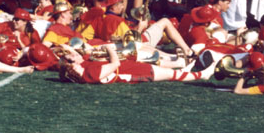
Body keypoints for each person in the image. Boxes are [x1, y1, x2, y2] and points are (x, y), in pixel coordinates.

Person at [57, 43, 214, 84]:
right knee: (173, 75)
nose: (74, 55)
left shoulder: (84, 67)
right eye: (72, 57)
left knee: (172, 73)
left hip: (131, 68)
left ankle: (187, 70)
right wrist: (109, 49)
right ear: (71, 65)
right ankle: (203, 75)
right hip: (134, 73)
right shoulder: (89, 74)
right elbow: (115, 64)